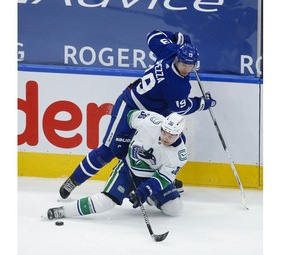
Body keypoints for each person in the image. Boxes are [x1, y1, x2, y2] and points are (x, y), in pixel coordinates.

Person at [59, 29, 216, 199]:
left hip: (154, 116)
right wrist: (202, 103)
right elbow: (181, 107)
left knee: (174, 143)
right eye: (183, 64)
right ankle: (73, 181)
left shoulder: (169, 50)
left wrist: (175, 37)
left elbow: (153, 36)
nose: (186, 69)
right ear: (177, 59)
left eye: (190, 65)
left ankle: (160, 180)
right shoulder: (178, 86)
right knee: (108, 150)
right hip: (130, 106)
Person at [47, 110, 188, 220]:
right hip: (128, 170)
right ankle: (63, 211)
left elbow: (162, 179)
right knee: (106, 202)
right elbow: (129, 116)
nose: (166, 137)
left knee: (174, 209)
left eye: (171, 135)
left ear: (179, 134)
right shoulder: (150, 122)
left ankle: (151, 198)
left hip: (151, 177)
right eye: (164, 132)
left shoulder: (179, 155)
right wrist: (122, 139)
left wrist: (145, 191)